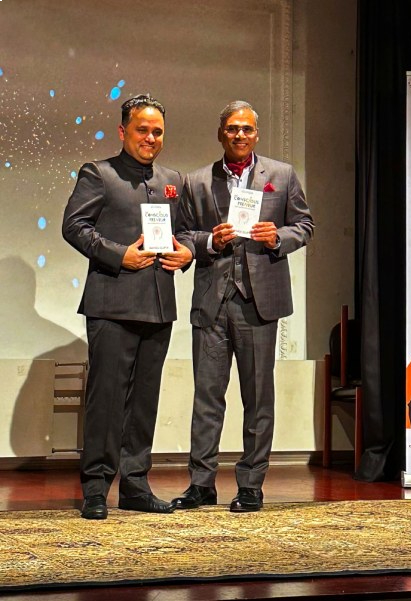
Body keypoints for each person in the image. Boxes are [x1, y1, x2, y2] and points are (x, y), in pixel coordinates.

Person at [172, 100, 314, 512]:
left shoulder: (282, 175)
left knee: (258, 397)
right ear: (221, 133)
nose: (239, 135)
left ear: (257, 134)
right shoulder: (197, 181)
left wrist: (277, 238)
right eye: (232, 128)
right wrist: (209, 241)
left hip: (258, 302)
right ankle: (201, 484)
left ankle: (251, 484)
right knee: (207, 397)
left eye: (247, 129)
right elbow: (182, 235)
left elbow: (304, 225)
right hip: (212, 301)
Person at [62, 94, 192, 519]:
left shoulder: (173, 179)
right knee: (106, 399)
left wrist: (185, 251)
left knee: (144, 401)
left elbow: (187, 232)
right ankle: (96, 488)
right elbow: (74, 226)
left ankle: (135, 484)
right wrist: (120, 255)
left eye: (157, 131)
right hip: (112, 304)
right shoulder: (98, 173)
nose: (150, 138)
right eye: (142, 130)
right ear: (123, 131)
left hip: (158, 305)